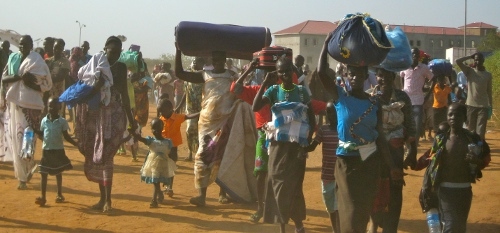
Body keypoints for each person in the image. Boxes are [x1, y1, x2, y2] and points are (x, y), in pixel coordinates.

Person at [318, 33, 404, 233]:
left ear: (367, 77)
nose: (355, 78)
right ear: (346, 76)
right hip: (346, 164)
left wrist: (391, 166)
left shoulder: (374, 103)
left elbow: (380, 136)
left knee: (364, 210)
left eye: (360, 74)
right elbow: (322, 72)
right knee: (351, 210)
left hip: (369, 163)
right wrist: (325, 44)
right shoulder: (339, 97)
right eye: (351, 74)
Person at [175, 48, 257, 207]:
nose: (218, 62)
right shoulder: (204, 75)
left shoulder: (232, 76)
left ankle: (223, 193)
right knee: (202, 157)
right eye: (215, 60)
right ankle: (201, 196)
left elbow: (240, 88)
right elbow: (180, 73)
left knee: (224, 156)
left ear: (225, 60)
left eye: (220, 59)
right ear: (211, 62)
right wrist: (178, 50)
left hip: (226, 121)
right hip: (206, 124)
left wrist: (251, 68)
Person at [252, 57, 315, 233]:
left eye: (288, 70)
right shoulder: (273, 91)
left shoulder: (302, 92)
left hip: (296, 148)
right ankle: (282, 227)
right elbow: (255, 107)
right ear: (277, 74)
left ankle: (298, 225)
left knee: (294, 186)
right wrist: (264, 82)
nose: (285, 74)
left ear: (293, 72)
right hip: (278, 147)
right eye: (281, 71)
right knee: (276, 183)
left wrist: (307, 144)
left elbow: (311, 118)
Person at [74, 36, 136, 213]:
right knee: (98, 156)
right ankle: (102, 199)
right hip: (95, 116)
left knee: (107, 157)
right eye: (112, 51)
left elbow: (124, 94)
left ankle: (108, 200)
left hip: (114, 117)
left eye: (118, 52)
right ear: (105, 49)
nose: (115, 55)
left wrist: (131, 122)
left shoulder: (121, 68)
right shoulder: (95, 65)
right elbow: (82, 89)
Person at [422, 103, 490, 232]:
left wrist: (476, 161)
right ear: (447, 117)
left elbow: (483, 161)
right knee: (451, 226)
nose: (453, 117)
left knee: (459, 226)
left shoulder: (472, 138)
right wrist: (426, 187)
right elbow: (432, 165)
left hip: (464, 190)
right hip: (445, 189)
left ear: (465, 118)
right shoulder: (441, 138)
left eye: (457, 114)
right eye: (450, 114)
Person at [369, 67, 417, 232]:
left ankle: (391, 228)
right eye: (379, 76)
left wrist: (412, 150)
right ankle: (374, 224)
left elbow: (410, 124)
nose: (382, 79)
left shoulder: (403, 97)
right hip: (375, 153)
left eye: (386, 75)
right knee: (375, 190)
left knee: (395, 190)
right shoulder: (371, 98)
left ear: (393, 76)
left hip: (396, 153)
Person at [1, 35, 52, 189]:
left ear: (31, 46)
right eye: (21, 44)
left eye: (26, 44)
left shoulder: (37, 61)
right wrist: (19, 77)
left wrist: (31, 82)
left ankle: (28, 168)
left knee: (28, 140)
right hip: (15, 105)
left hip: (32, 107)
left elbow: (46, 84)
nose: (22, 47)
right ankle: (22, 177)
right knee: (17, 140)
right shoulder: (13, 59)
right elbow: (4, 79)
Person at [34, 98, 77, 206]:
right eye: (49, 106)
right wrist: (35, 131)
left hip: (58, 150)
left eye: (54, 106)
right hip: (46, 151)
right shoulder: (44, 120)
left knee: (58, 172)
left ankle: (59, 194)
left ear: (59, 107)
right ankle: (43, 197)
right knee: (43, 173)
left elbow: (66, 136)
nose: (51, 108)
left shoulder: (62, 121)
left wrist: (77, 144)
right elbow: (42, 134)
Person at [305, 102, 340, 233]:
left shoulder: (343, 129)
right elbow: (313, 146)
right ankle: (335, 229)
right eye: (329, 112)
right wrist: (302, 147)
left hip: (340, 175)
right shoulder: (323, 130)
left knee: (338, 207)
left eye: (334, 112)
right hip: (327, 175)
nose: (331, 115)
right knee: (330, 207)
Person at [157, 98, 199, 197]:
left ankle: (169, 187)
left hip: (173, 149)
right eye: (160, 111)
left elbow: (188, 116)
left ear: (170, 109)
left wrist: (200, 113)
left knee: (171, 168)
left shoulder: (177, 117)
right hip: (162, 148)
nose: (161, 113)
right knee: (161, 168)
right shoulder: (160, 119)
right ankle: (164, 185)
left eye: (162, 111)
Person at [132, 118, 176, 208]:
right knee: (156, 182)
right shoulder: (150, 141)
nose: (155, 130)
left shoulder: (168, 142)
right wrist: (133, 132)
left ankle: (158, 195)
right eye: (153, 128)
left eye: (157, 128)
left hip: (163, 165)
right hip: (153, 165)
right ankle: (154, 200)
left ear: (162, 128)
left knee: (158, 181)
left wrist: (172, 161)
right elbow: (140, 138)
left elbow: (172, 154)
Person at [400, 48, 434, 146]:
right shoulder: (405, 67)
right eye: (412, 54)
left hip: (418, 101)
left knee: (417, 126)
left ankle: (414, 146)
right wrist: (403, 90)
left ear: (419, 56)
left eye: (416, 54)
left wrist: (427, 95)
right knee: (404, 124)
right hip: (406, 101)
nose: (414, 56)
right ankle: (407, 146)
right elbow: (402, 77)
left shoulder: (424, 68)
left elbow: (433, 79)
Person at [456, 53, 492, 140]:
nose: (477, 61)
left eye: (479, 59)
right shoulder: (469, 71)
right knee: (471, 131)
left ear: (483, 61)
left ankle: (479, 151)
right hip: (470, 106)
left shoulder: (488, 75)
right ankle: (471, 150)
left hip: (483, 107)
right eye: (475, 59)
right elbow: (458, 61)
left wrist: (490, 106)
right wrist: (470, 56)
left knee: (480, 132)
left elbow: (489, 92)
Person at [182, 57, 204, 161]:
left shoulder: (204, 76)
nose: (195, 64)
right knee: (189, 129)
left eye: (198, 62)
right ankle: (190, 152)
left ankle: (199, 152)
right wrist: (178, 106)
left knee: (201, 130)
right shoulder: (188, 75)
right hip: (190, 107)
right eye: (194, 62)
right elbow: (186, 91)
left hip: (202, 107)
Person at [45, 38, 70, 115]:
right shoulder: (47, 61)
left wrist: (46, 78)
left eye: (59, 48)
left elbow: (60, 77)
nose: (56, 50)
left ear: (62, 49)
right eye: (55, 48)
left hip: (58, 92)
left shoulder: (65, 62)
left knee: (58, 114)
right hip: (47, 92)